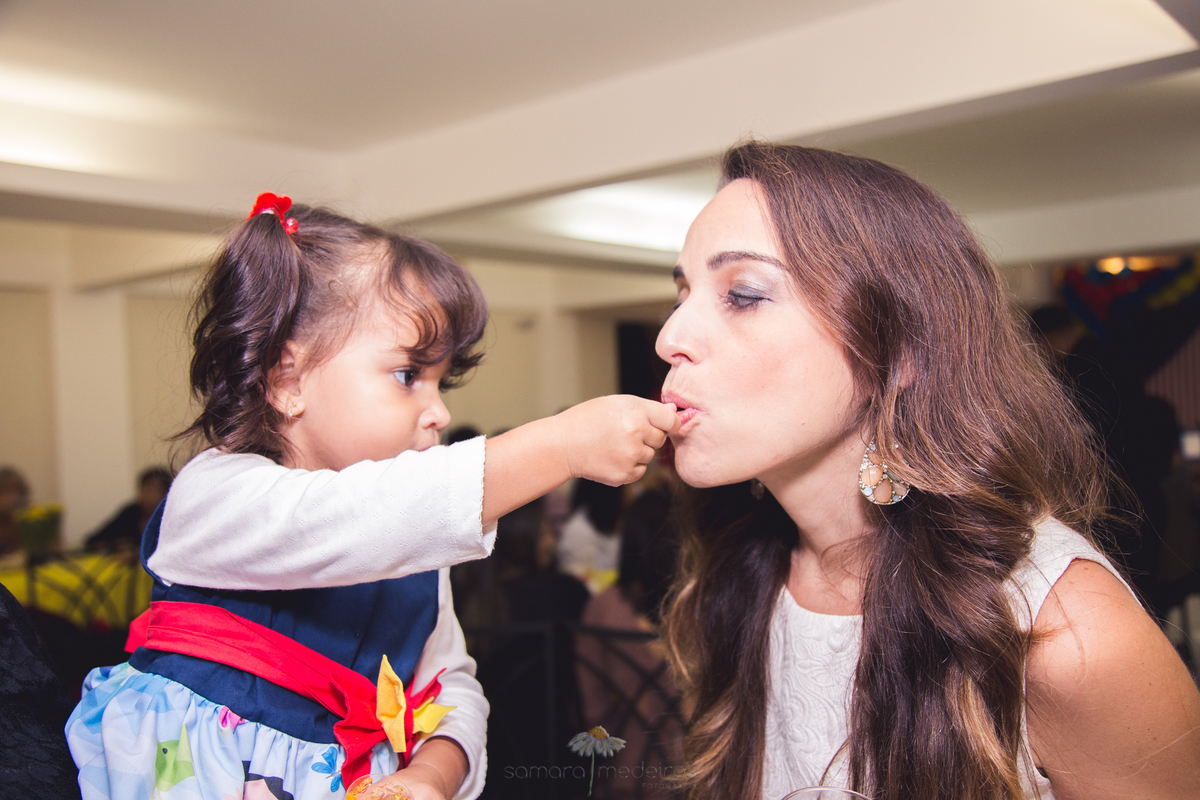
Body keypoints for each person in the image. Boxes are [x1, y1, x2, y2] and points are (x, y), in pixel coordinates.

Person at [66, 194, 678, 800]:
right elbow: (346, 521)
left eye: (443, 381)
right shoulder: (214, 496)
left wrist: (430, 774)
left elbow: (452, 687)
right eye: (408, 376)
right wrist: (558, 447)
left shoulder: (417, 553)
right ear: (288, 380)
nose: (438, 412)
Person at [655, 143, 1200, 800]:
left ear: (900, 351)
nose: (669, 336)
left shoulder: (1067, 637)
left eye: (742, 294)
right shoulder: (740, 574)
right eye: (682, 292)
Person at [84, 466, 172, 553]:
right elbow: (93, 541)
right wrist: (117, 546)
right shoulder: (131, 513)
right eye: (143, 488)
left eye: (151, 489)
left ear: (165, 493)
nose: (145, 494)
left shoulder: (171, 516)